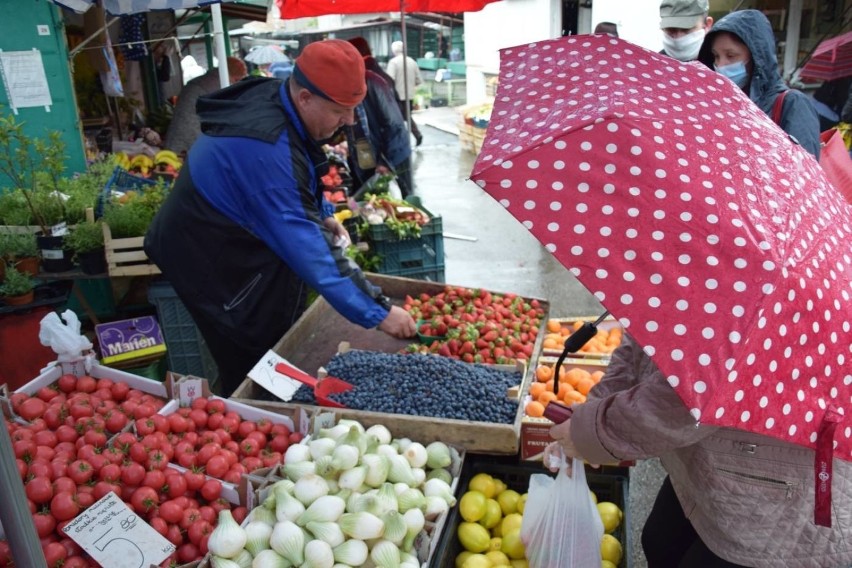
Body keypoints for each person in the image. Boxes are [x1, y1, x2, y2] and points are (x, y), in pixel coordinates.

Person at [144, 40, 417, 395]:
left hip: (231, 228)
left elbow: (303, 165)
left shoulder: (283, 99)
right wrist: (379, 311)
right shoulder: (265, 149)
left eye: (353, 109)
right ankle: (256, 417)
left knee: (271, 336)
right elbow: (310, 251)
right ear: (306, 98)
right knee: (249, 351)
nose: (349, 121)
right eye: (340, 111)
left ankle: (270, 396)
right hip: (205, 253)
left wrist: (323, 214)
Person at [544, 334, 852, 568]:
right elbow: (640, 344)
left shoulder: (762, 298)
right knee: (660, 542)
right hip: (713, 463)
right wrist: (592, 412)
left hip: (775, 500)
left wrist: (593, 432)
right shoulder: (697, 264)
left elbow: (694, 398)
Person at [697, 10, 821, 159]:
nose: (720, 64)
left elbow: (804, 171)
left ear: (757, 57)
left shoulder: (793, 104)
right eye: (716, 56)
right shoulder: (717, 104)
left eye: (731, 56)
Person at [347, 37, 414, 197]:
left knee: (406, 197)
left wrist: (385, 161)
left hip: (394, 151)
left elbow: (394, 124)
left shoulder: (373, 81)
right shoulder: (350, 84)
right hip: (367, 151)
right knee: (372, 197)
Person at [164, 56, 248, 156]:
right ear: (234, 77)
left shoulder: (208, 80)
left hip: (180, 140)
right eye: (237, 80)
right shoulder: (217, 87)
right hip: (187, 146)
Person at [386, 40, 424, 147]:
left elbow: (389, 80)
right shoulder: (412, 61)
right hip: (409, 96)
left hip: (397, 97)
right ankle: (416, 135)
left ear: (393, 51)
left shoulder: (393, 63)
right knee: (407, 116)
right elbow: (418, 80)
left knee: (398, 120)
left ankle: (402, 142)